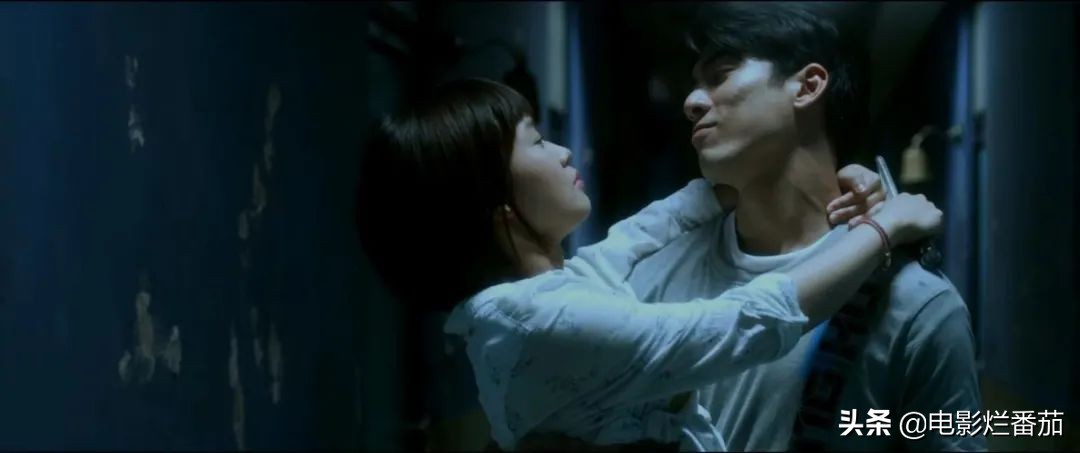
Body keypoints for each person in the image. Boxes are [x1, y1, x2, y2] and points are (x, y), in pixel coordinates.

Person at [354, 78, 946, 451]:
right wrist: (881, 228)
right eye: (535, 142)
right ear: (499, 207)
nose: (563, 152)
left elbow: (649, 227)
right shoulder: (542, 322)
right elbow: (743, 323)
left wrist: (828, 185)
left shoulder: (547, 294)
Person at [626, 3, 984, 451]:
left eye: (720, 75)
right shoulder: (656, 268)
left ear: (808, 85)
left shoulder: (916, 302)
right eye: (695, 84)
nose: (691, 102)